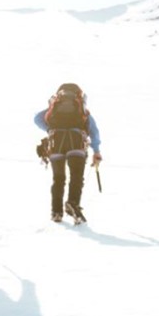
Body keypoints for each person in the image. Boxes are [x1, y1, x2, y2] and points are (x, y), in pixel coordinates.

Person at [35, 82, 102, 224]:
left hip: (56, 142)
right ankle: (72, 203)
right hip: (76, 142)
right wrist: (96, 151)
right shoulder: (82, 110)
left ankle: (56, 212)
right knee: (76, 176)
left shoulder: (54, 108)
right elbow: (94, 131)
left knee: (58, 178)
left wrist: (49, 129)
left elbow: (37, 118)